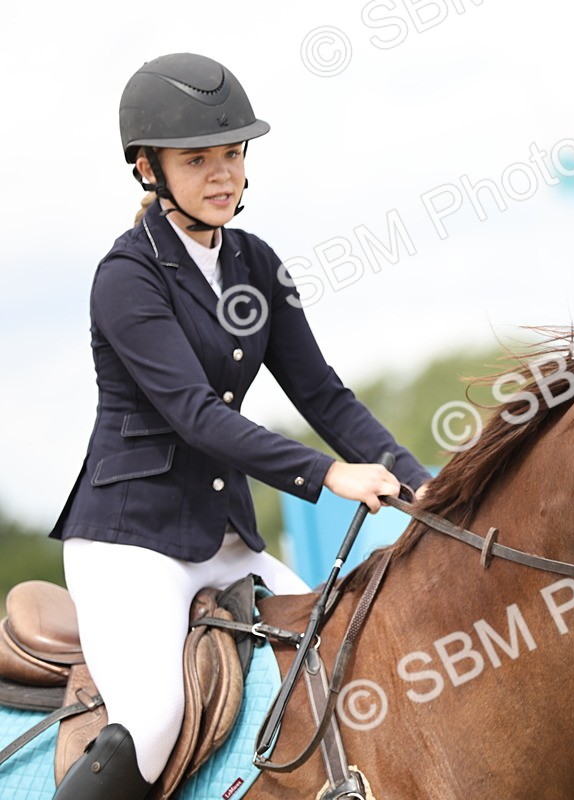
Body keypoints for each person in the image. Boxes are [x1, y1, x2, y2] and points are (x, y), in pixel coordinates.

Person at [47, 53, 430, 799]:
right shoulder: (126, 277)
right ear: (147, 169)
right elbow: (194, 416)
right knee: (154, 719)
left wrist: (423, 481)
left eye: (232, 153)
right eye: (198, 159)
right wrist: (327, 474)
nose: (222, 174)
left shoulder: (256, 263)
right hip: (132, 545)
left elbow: (322, 393)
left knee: (335, 658)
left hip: (226, 542)